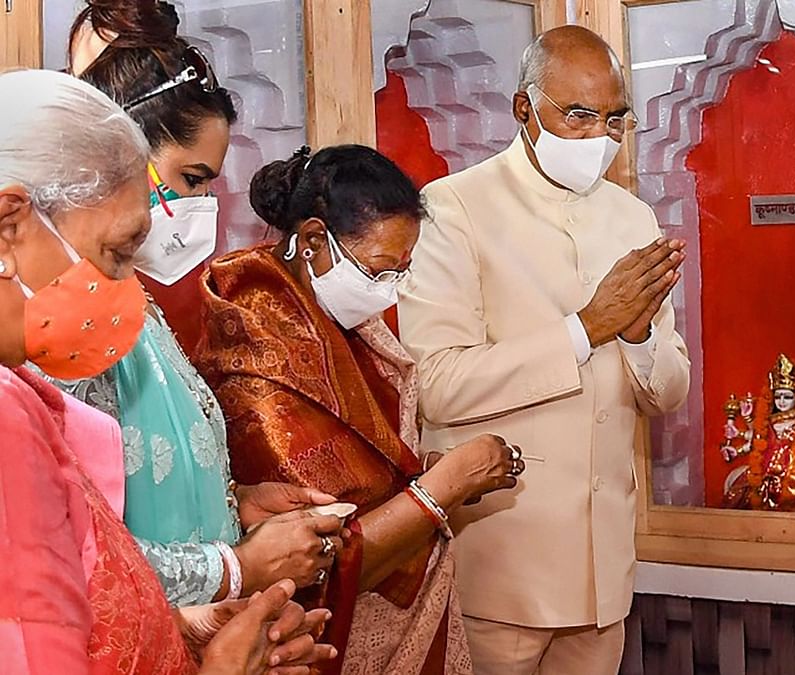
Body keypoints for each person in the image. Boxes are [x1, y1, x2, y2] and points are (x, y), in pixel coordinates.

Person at [0, 67, 333, 675]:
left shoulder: (23, 382)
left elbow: (90, 581)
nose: (126, 282)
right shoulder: (10, 411)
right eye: (115, 253)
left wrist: (181, 627)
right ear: (9, 226)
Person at [396, 26, 691, 673]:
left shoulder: (632, 217)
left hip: (605, 572)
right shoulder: (453, 209)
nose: (598, 137)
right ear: (524, 108)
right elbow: (434, 384)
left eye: (615, 118)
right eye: (578, 114)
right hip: (503, 570)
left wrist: (638, 333)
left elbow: (668, 391)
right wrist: (584, 327)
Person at [48, 0, 345, 608]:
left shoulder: (134, 303)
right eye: (192, 179)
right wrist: (235, 567)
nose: (203, 205)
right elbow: (72, 552)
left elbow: (142, 484)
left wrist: (235, 505)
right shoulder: (59, 321)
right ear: (120, 156)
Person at [195, 144, 523, 674]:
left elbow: (377, 469)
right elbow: (314, 556)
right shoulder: (257, 356)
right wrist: (445, 488)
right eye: (379, 271)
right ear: (313, 241)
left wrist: (424, 476)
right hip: (316, 643)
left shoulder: (347, 324)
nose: (390, 292)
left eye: (403, 271)